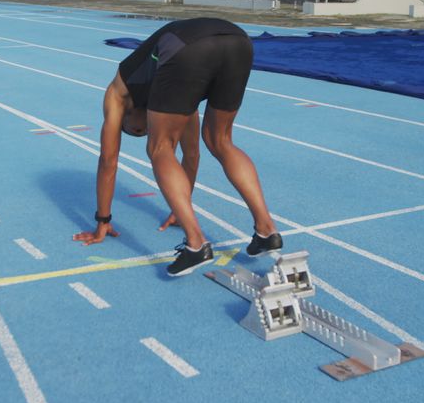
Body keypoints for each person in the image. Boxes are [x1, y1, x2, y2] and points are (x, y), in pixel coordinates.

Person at [72, 17, 282, 276]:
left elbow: (108, 161)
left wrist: (102, 221)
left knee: (160, 147)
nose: (145, 128)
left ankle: (196, 244)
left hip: (189, 47)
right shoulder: (167, 94)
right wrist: (180, 207)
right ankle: (266, 231)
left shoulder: (117, 94)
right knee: (220, 140)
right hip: (238, 41)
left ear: (125, 116)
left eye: (137, 129)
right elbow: (192, 155)